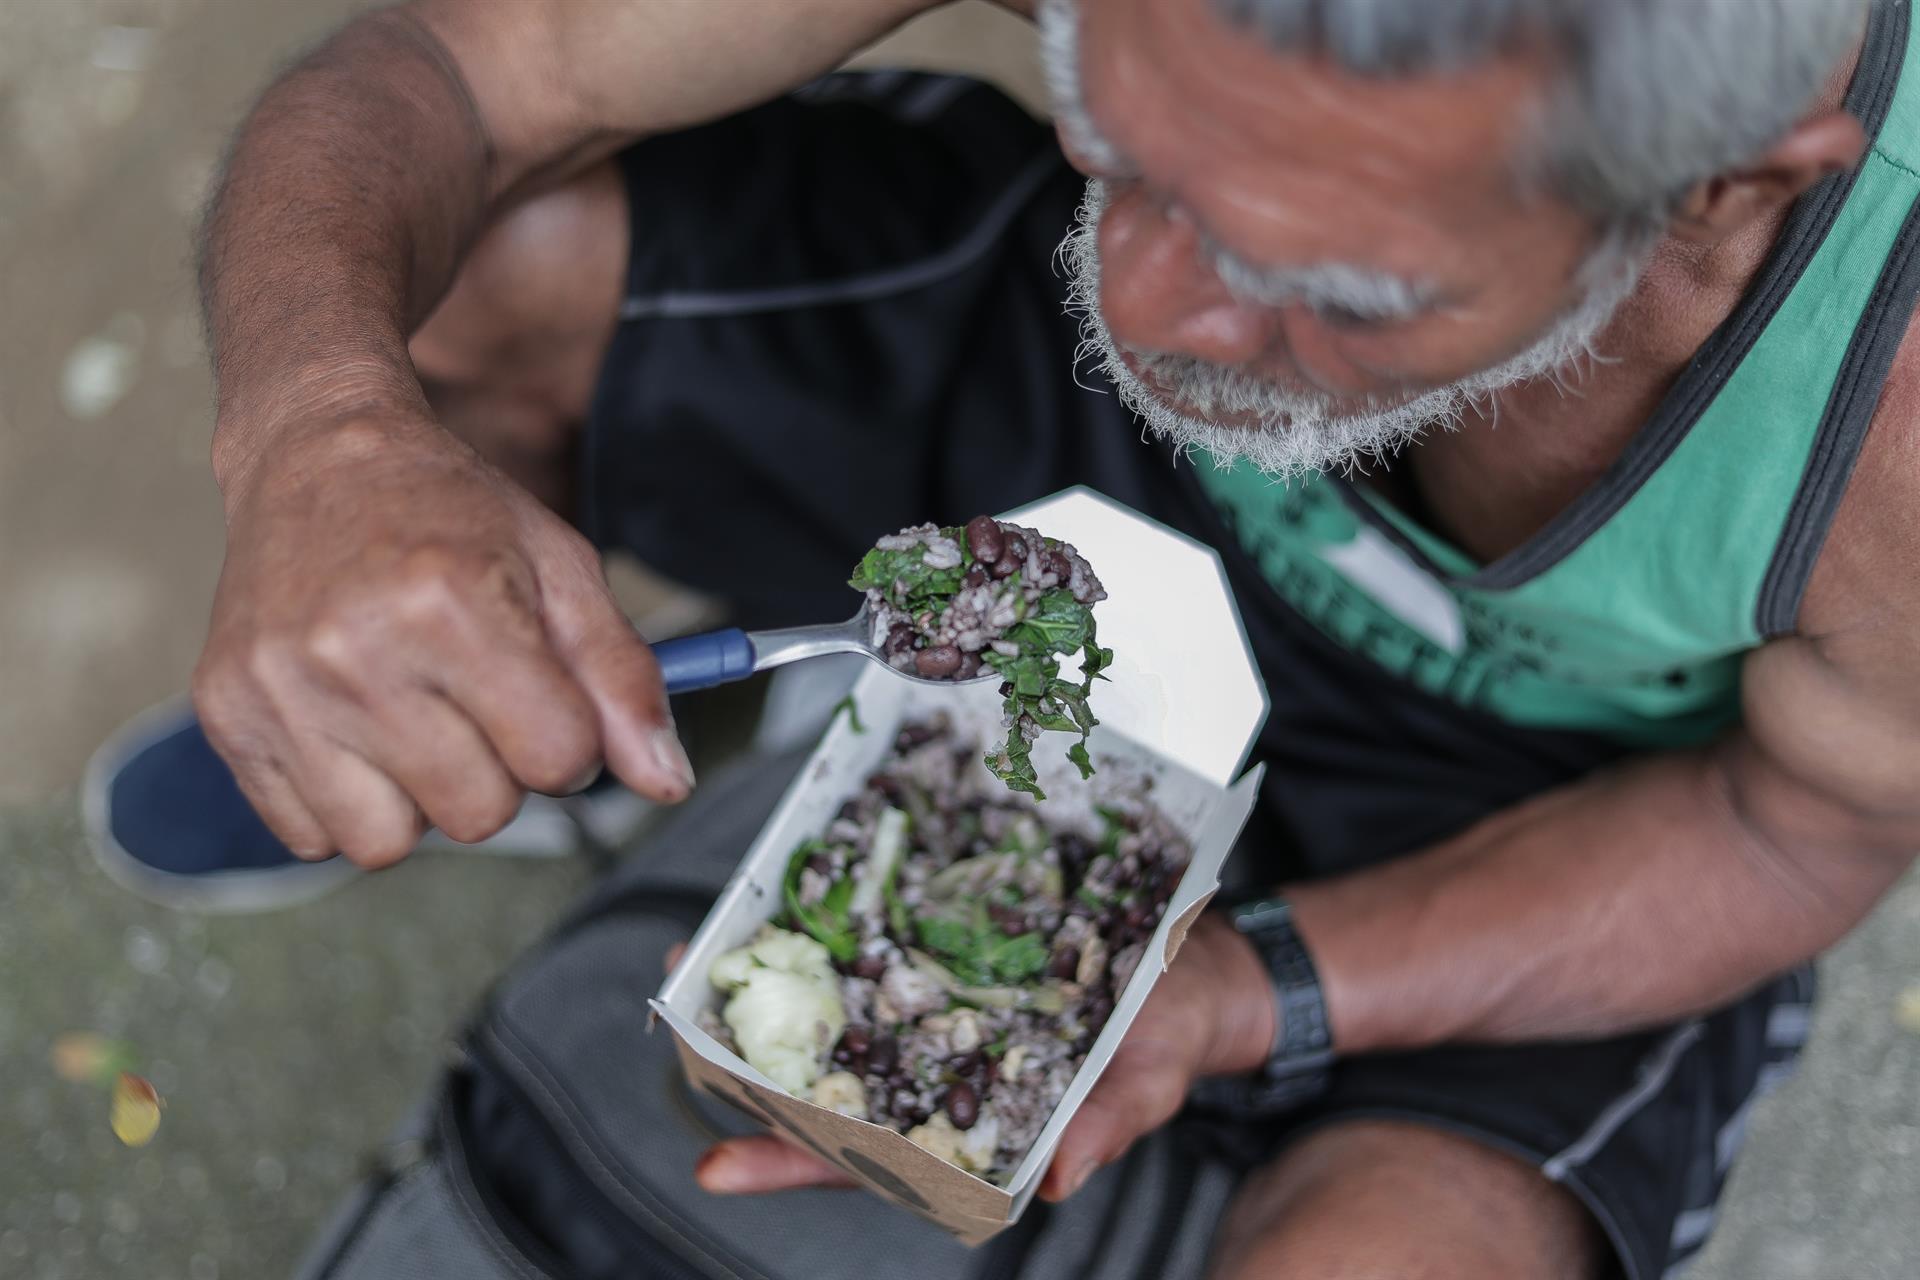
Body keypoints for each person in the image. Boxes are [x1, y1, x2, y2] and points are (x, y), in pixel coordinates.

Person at [87, 0, 1920, 1276]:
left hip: (1555, 771)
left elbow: (1795, 823)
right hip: (1058, 450)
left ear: (1728, 185)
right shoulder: (1154, 302)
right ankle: (512, 697)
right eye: (1113, 134)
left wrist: (1244, 994)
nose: (1147, 300)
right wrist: (326, 433)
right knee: (482, 273)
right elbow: (465, 76)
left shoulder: (1895, 411)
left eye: (1338, 278)